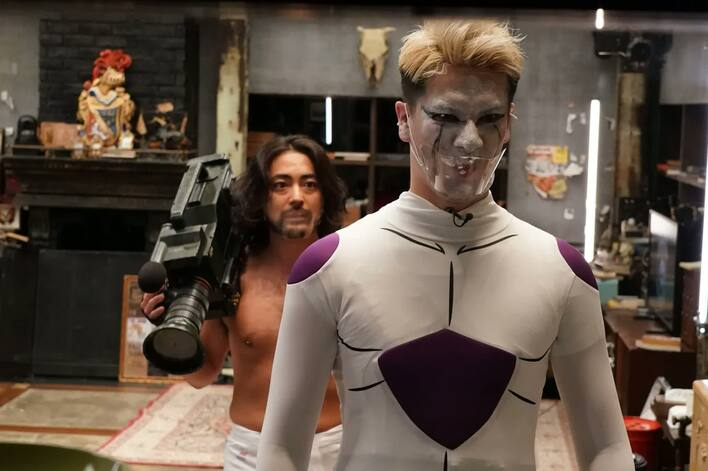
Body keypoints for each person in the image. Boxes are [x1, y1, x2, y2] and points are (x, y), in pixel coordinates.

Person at [256, 20, 634, 470]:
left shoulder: (562, 272)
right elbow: (281, 448)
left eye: (489, 118)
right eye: (445, 117)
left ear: (509, 124)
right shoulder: (328, 267)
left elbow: (608, 448)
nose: (469, 140)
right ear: (404, 119)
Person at [141, 134, 347, 470]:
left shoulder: (350, 270)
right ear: (261, 199)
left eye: (309, 185)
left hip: (337, 448)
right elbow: (201, 376)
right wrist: (173, 332)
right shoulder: (232, 276)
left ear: (323, 198)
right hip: (252, 451)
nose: (297, 197)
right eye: (281, 185)